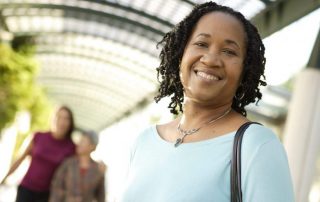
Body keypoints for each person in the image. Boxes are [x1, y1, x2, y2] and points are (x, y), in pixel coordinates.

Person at [120, 2, 294, 202]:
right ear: (180, 54)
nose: (211, 59)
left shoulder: (257, 145)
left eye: (229, 51)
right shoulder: (144, 142)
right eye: (201, 44)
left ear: (244, 71)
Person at [0, 106, 76, 202]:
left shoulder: (71, 147)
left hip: (46, 195)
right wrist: (3, 178)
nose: (62, 121)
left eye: (66, 119)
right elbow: (20, 159)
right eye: (59, 117)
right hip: (26, 189)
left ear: (70, 123)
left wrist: (99, 166)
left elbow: (82, 163)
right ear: (53, 119)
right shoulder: (38, 136)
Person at [49, 130, 106, 202]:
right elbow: (56, 186)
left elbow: (101, 196)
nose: (79, 143)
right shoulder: (68, 163)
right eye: (80, 141)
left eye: (83, 141)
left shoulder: (98, 169)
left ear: (92, 147)